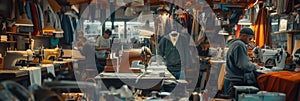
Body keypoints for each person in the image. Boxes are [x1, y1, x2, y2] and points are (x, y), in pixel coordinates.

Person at [223, 28, 260, 97]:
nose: (250, 41)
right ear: (243, 36)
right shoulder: (239, 45)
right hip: (235, 81)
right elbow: (244, 65)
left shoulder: (234, 43)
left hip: (230, 79)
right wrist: (255, 66)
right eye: (249, 39)